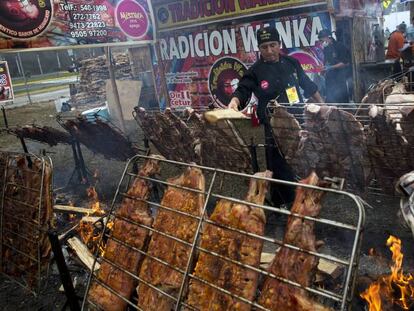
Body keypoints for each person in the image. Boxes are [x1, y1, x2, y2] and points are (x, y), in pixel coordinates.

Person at [228, 26, 324, 206]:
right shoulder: (255, 70)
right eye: (264, 47)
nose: (269, 50)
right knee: (279, 166)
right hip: (272, 125)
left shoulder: (291, 63)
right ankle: (291, 204)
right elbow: (243, 89)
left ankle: (288, 199)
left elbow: (307, 84)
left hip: (296, 120)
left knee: (301, 160)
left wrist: (324, 106)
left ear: (279, 44)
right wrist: (234, 102)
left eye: (273, 45)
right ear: (259, 49)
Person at [318, 29, 351, 104]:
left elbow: (345, 63)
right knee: (330, 102)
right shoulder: (326, 49)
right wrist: (323, 69)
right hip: (329, 79)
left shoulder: (340, 46)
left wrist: (331, 67)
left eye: (322, 40)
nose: (321, 42)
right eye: (320, 41)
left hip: (339, 79)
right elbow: (326, 62)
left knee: (342, 101)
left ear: (328, 37)